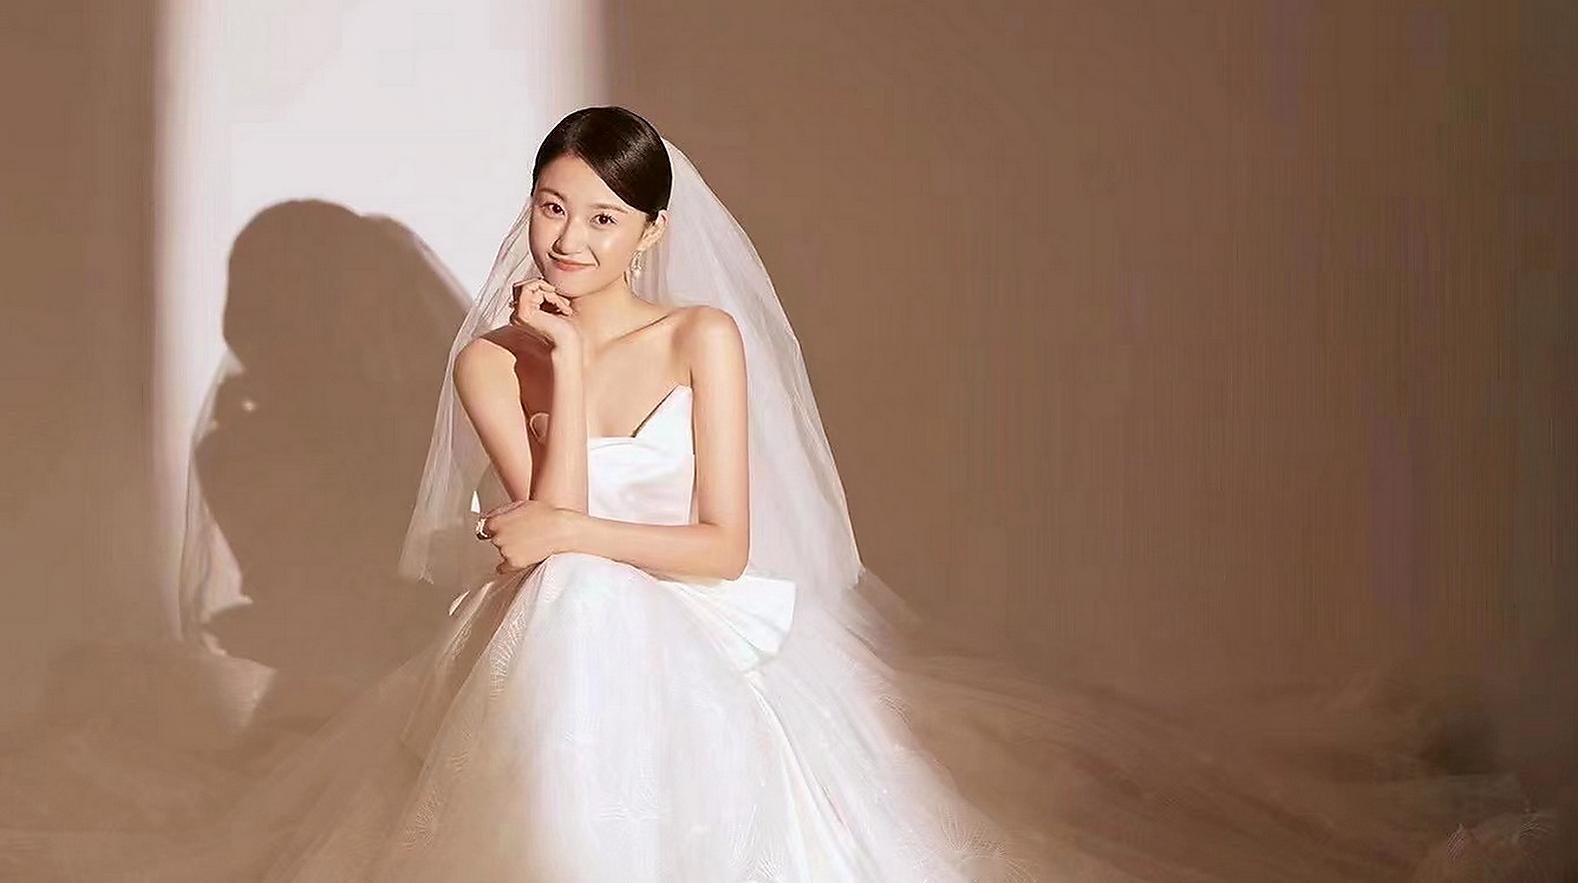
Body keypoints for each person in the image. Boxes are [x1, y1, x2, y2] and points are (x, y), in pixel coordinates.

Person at [0, 106, 1554, 881]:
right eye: (548, 211)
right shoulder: (489, 360)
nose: (563, 244)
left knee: (600, 598)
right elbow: (531, 542)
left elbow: (718, 542)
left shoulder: (704, 341)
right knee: (570, 609)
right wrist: (549, 379)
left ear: (648, 237)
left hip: (700, 626)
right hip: (549, 636)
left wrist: (567, 526)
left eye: (597, 223)